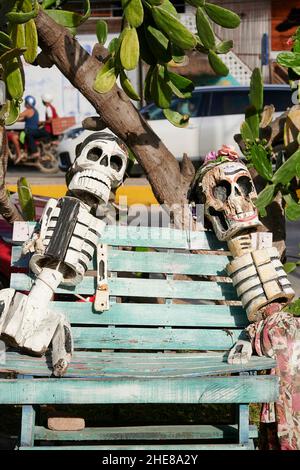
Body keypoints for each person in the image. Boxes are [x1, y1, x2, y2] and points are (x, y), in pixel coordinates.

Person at [15, 95, 51, 163]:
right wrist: (14, 120)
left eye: (26, 102)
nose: (25, 103)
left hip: (31, 131)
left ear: (29, 103)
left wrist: (11, 115)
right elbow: (23, 119)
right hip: (35, 130)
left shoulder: (29, 110)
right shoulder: (34, 110)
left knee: (25, 135)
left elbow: (19, 115)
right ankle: (26, 151)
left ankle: (34, 152)